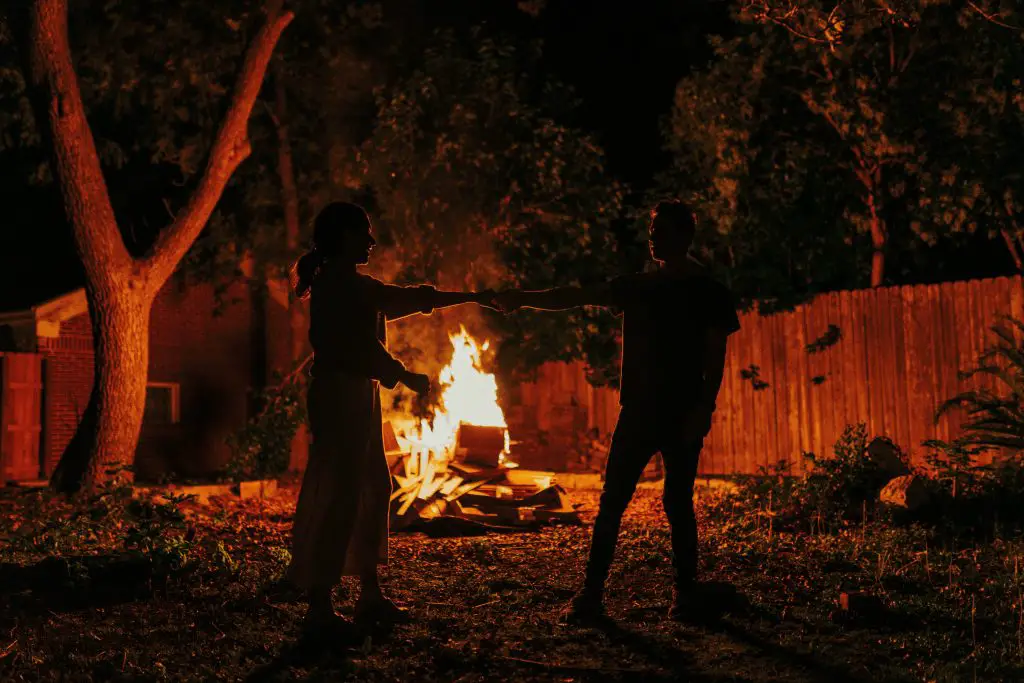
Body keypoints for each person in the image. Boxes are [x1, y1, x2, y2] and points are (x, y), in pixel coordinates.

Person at [495, 200, 740, 622]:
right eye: (652, 229)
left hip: (680, 412)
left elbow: (715, 357)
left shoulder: (708, 293)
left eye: (660, 230)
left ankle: (684, 595)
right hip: (640, 411)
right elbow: (574, 297)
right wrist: (521, 299)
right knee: (614, 501)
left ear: (683, 237)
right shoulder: (639, 287)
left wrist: (704, 409)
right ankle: (591, 595)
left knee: (677, 502)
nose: (652, 237)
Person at [286, 201, 495, 635]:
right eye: (363, 232)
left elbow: (395, 299)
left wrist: (463, 298)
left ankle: (369, 593)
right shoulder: (339, 286)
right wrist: (405, 376)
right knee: (342, 493)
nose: (370, 240)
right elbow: (359, 346)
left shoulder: (348, 284)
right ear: (343, 237)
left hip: (357, 394)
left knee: (373, 485)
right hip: (341, 394)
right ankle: (320, 605)